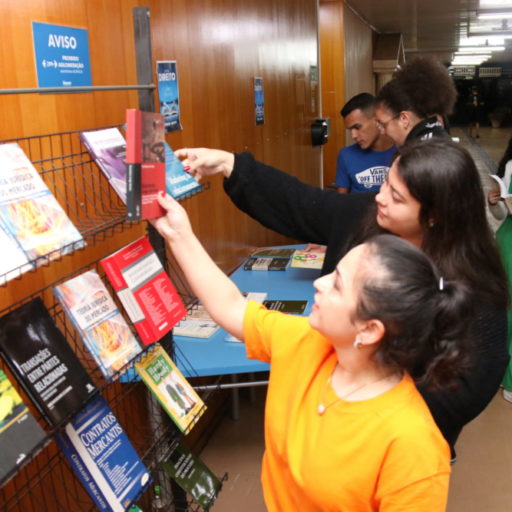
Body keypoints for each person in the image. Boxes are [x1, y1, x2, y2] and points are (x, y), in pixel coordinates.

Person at [175, 139, 509, 458]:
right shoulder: (368, 220)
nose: (379, 198)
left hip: (394, 438)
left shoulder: (473, 289)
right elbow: (301, 203)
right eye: (385, 183)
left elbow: (467, 388)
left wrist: (364, 400)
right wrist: (229, 164)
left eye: (396, 196)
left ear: (435, 214)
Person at [152, 188, 472, 510]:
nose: (320, 282)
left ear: (369, 329)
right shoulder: (306, 342)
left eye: (337, 284)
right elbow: (232, 307)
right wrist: (178, 234)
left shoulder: (412, 444)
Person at [374, 57, 456, 147]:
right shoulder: (444, 143)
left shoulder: (417, 155)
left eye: (382, 124)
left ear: (404, 119)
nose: (381, 132)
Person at [488, 136, 512, 403]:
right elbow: (500, 217)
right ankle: (506, 377)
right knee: (507, 308)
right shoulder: (510, 166)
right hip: (509, 242)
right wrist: (494, 203)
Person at [335, 93, 395, 193]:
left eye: (357, 127)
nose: (353, 135)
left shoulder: (404, 151)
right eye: (350, 130)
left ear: (377, 121)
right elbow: (340, 202)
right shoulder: (346, 155)